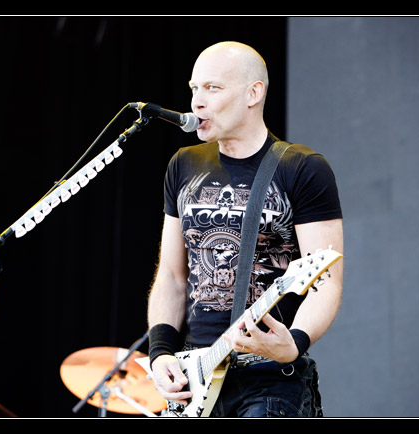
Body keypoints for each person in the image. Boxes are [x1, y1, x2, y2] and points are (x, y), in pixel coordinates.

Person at [146, 41, 344, 417]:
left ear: (254, 93)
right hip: (195, 379)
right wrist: (161, 354)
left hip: (269, 379)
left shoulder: (302, 167)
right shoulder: (183, 164)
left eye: (213, 88)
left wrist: (295, 342)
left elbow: (326, 281)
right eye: (194, 88)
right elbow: (171, 276)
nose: (197, 101)